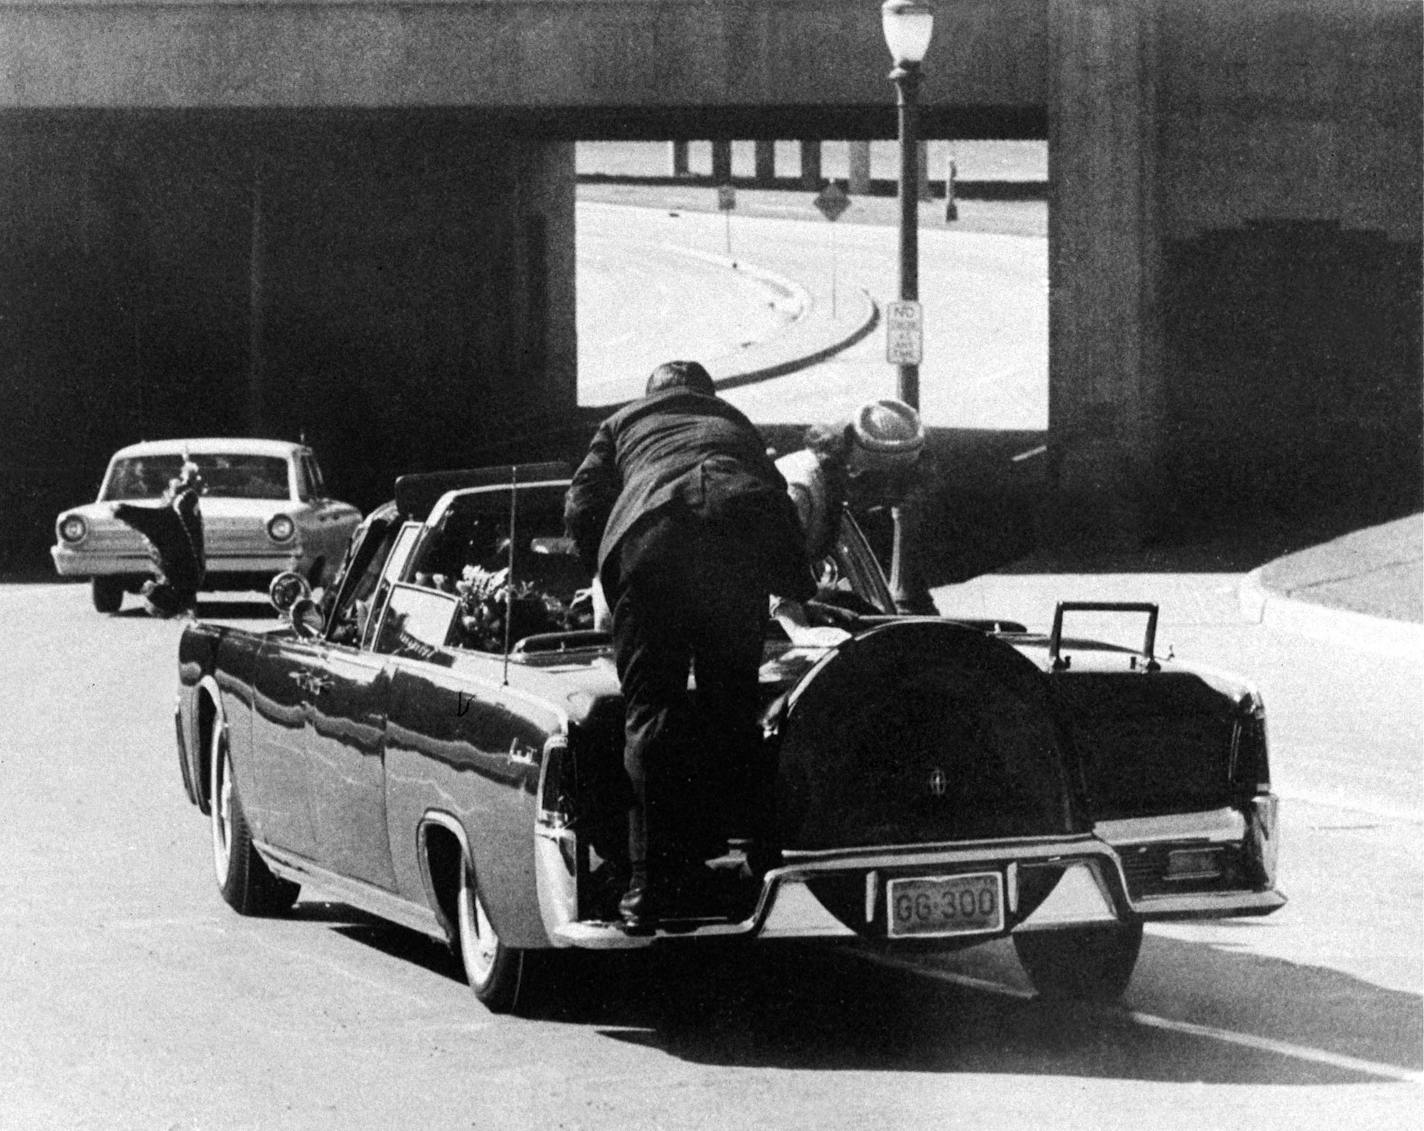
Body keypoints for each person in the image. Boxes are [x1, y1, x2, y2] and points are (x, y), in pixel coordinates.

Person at [565, 360, 815, 930]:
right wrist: (799, 589)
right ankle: (758, 870)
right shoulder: (734, 423)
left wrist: (605, 574)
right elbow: (775, 502)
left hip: (651, 547)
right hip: (736, 547)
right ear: (706, 394)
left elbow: (580, 506)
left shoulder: (622, 423)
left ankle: (648, 892)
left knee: (651, 715)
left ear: (651, 394)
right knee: (735, 710)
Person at [770, 397, 932, 632]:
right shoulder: (799, 488)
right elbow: (772, 571)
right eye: (882, 489)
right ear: (857, 472)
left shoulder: (828, 487)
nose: (877, 504)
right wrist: (801, 631)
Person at [112, 460, 206, 617]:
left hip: (178, 529)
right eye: (152, 593)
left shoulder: (187, 583)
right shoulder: (178, 577)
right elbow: (160, 524)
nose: (147, 586)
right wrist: (122, 512)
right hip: (177, 530)